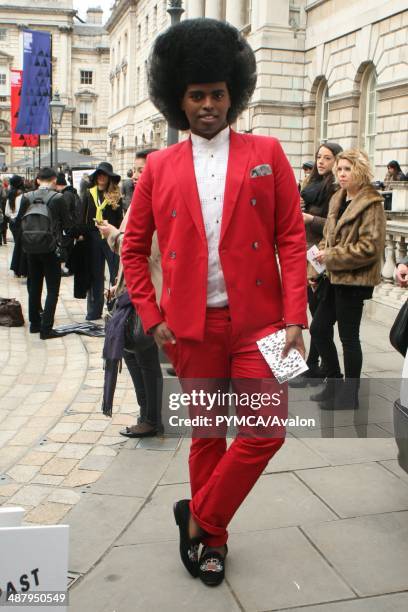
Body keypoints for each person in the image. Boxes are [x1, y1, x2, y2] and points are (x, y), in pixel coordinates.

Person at [122, 18, 307, 587]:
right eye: (197, 95)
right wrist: (152, 318)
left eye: (217, 94)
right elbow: (132, 249)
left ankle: (197, 518)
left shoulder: (267, 151)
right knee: (206, 436)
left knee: (265, 433)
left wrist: (296, 317)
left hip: (263, 327)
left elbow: (292, 239)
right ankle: (214, 542)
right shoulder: (158, 166)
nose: (208, 104)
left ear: (235, 94)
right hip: (189, 330)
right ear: (179, 100)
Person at [310, 149, 386, 409]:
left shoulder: (371, 203)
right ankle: (334, 381)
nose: (341, 174)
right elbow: (328, 237)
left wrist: (330, 255)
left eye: (347, 169)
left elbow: (370, 248)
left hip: (354, 280)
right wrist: (317, 265)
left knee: (348, 338)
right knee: (318, 329)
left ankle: (349, 395)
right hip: (332, 277)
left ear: (360, 171)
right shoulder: (338, 198)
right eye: (339, 169)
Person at [99, 208, 163, 437]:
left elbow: (144, 250)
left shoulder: (157, 203)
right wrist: (120, 284)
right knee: (132, 354)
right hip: (132, 290)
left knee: (144, 355)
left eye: (140, 170)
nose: (135, 175)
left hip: (148, 291)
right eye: (134, 169)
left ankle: (152, 419)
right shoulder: (140, 201)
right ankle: (146, 413)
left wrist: (113, 234)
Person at [291, 142, 343, 388]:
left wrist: (310, 218)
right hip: (303, 252)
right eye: (319, 157)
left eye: (327, 158)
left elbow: (335, 228)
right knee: (311, 313)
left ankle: (317, 366)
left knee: (319, 317)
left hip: (319, 256)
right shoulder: (309, 186)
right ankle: (314, 365)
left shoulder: (335, 189)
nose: (321, 162)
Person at [15, 167, 73, 339]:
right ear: (55, 180)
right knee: (53, 289)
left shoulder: (26, 197)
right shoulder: (58, 198)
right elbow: (68, 224)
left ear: (38, 180)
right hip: (51, 248)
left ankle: (34, 324)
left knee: (34, 286)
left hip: (31, 248)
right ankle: (46, 328)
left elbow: (19, 222)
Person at [79, 162, 123, 321]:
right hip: (93, 238)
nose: (101, 177)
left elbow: (120, 219)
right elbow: (82, 216)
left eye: (104, 174)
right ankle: (94, 310)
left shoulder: (116, 195)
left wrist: (117, 235)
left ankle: (114, 308)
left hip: (111, 238)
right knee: (95, 275)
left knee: (114, 273)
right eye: (99, 174)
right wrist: (82, 235)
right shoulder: (88, 193)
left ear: (109, 178)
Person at [5, 175, 28, 277]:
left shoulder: (10, 195)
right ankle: (22, 268)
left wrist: (12, 215)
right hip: (22, 223)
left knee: (17, 245)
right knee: (23, 246)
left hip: (13, 224)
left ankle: (17, 268)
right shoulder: (23, 196)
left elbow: (7, 212)